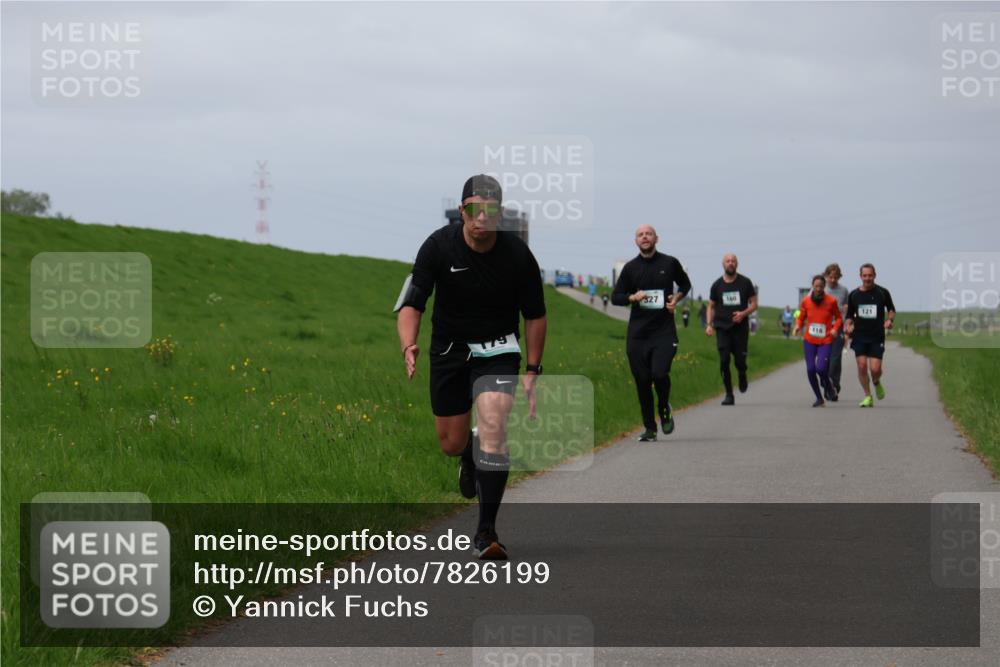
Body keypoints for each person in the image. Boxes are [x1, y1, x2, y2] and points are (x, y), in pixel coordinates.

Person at [395, 174, 547, 559]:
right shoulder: (437, 246)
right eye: (474, 210)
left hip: (498, 348)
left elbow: (535, 315)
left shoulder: (517, 255)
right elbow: (413, 301)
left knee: (494, 422)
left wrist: (532, 369)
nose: (481, 218)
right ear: (462, 211)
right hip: (449, 348)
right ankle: (468, 452)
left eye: (490, 210)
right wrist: (408, 343)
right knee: (451, 443)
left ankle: (486, 532)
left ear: (499, 213)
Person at [611, 225, 691, 441]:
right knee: (642, 380)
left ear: (657, 238)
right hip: (638, 334)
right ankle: (649, 428)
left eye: (648, 234)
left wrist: (677, 298)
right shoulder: (630, 268)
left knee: (660, 374)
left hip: (664, 332)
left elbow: (685, 283)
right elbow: (615, 296)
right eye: (640, 235)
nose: (645, 237)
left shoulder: (669, 263)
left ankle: (664, 407)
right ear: (636, 241)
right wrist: (631, 298)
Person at [705, 253, 757, 405]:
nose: (730, 263)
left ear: (737, 264)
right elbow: (711, 306)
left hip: (740, 329)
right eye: (728, 261)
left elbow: (754, 304)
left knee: (740, 361)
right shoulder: (717, 285)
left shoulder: (745, 282)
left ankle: (742, 374)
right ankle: (729, 394)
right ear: (723, 264)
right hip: (722, 328)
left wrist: (743, 313)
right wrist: (709, 325)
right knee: (724, 361)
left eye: (733, 261)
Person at [844, 263, 895, 408]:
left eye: (870, 275)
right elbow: (849, 316)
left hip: (876, 336)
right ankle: (868, 396)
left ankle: (877, 382)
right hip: (859, 336)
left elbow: (891, 309)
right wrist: (848, 324)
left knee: (875, 369)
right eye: (864, 275)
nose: (867, 278)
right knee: (861, 366)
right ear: (860, 276)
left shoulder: (882, 292)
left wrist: (889, 320)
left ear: (875, 275)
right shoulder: (854, 295)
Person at [793, 275, 843, 407]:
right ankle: (819, 398)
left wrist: (835, 329)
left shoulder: (831, 301)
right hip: (809, 340)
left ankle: (830, 387)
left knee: (821, 369)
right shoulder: (806, 301)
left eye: (821, 286)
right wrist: (798, 325)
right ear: (812, 286)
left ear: (824, 287)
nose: (818, 289)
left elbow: (838, 318)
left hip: (825, 340)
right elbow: (801, 316)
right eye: (816, 286)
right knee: (810, 369)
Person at [824, 263, 849, 397]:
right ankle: (827, 383)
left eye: (836, 277)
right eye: (830, 277)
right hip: (823, 328)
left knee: (835, 358)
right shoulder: (820, 289)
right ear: (826, 276)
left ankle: (834, 383)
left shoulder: (844, 290)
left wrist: (846, 308)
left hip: (838, 327)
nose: (833, 280)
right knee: (824, 358)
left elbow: (848, 305)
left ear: (839, 277)